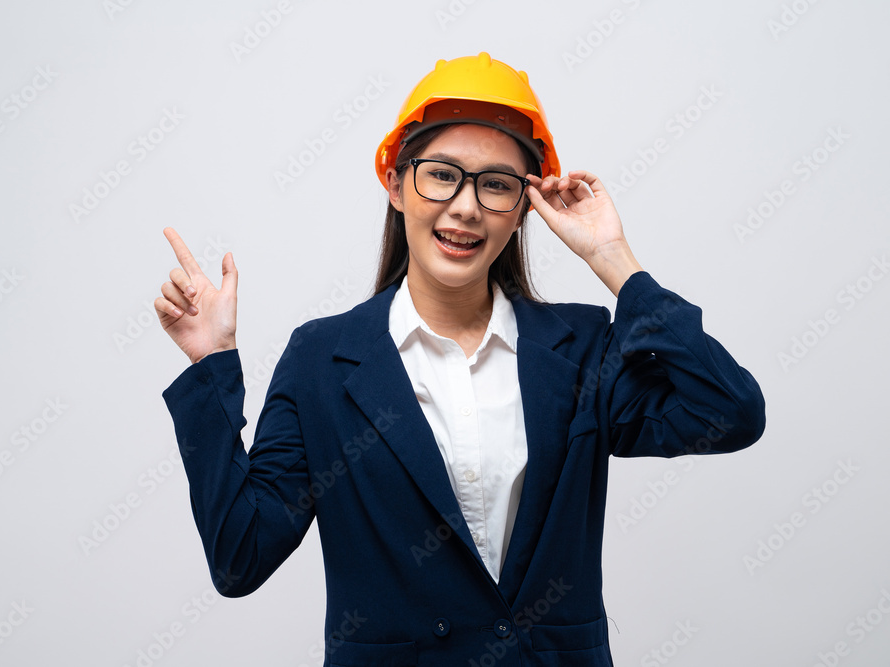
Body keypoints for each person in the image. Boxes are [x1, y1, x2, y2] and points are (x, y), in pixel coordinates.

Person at [156, 52, 766, 666]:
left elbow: (730, 410)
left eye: (497, 184)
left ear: (525, 207)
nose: (467, 206)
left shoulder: (579, 350)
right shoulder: (322, 360)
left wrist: (613, 259)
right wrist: (211, 366)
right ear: (396, 185)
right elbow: (240, 556)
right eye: (441, 174)